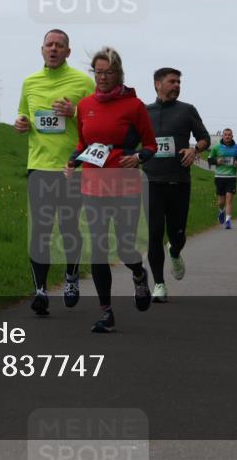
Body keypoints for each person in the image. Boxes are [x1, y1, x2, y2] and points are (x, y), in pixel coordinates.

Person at [65, 47, 157, 333]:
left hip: (124, 184)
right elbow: (83, 144)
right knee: (98, 249)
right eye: (98, 72)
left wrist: (139, 157)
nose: (102, 78)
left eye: (108, 72)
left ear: (119, 74)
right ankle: (106, 312)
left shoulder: (134, 106)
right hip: (93, 185)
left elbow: (151, 146)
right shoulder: (85, 104)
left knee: (125, 246)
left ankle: (139, 275)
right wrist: (72, 161)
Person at [15, 29, 94, 316]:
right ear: (41, 49)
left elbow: (97, 122)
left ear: (68, 52)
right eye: (49, 45)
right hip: (38, 166)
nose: (54, 49)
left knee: (69, 227)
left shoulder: (83, 82)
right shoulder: (29, 83)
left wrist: (74, 112)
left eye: (60, 46)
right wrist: (21, 123)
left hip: (71, 167)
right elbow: (24, 114)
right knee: (41, 230)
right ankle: (40, 291)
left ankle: (71, 279)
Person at [143, 68, 210, 302]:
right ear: (157, 85)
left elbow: (205, 138)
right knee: (153, 234)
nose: (176, 85)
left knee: (177, 234)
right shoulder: (144, 112)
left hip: (179, 182)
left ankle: (175, 251)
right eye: (172, 81)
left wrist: (195, 149)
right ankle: (159, 284)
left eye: (179, 82)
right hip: (150, 182)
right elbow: (131, 141)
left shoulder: (187, 110)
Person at [207, 129, 237, 229]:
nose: (227, 136)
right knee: (221, 201)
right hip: (219, 176)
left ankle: (228, 221)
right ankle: (221, 211)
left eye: (229, 135)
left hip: (231, 177)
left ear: (232, 136)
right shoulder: (216, 147)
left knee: (229, 198)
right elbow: (210, 159)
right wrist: (216, 161)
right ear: (222, 136)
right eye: (225, 135)